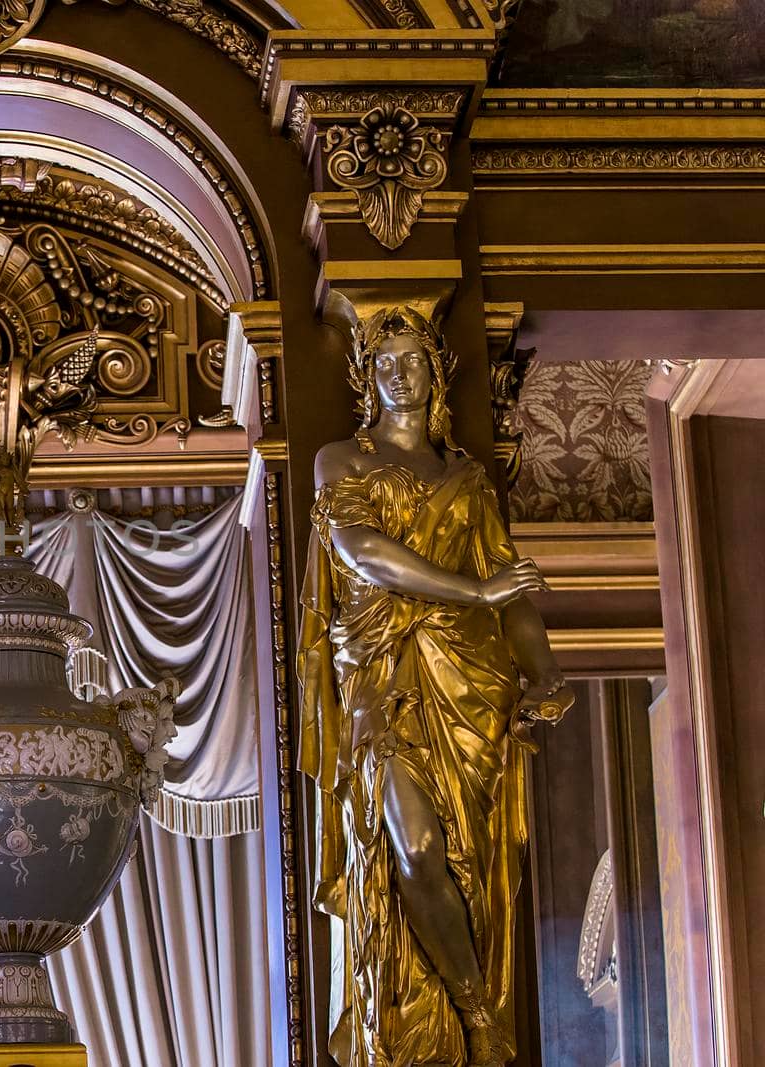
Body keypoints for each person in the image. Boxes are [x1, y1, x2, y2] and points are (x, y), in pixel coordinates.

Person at [297, 306, 570, 1067]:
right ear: (365, 379)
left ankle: (466, 1012)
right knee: (413, 847)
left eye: (411, 358)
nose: (397, 373)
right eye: (383, 363)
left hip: (469, 686)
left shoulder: (470, 482)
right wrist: (472, 592)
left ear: (434, 371)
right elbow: (361, 552)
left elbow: (513, 594)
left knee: (468, 864)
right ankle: (478, 1012)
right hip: (382, 679)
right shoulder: (338, 462)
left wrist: (546, 673)